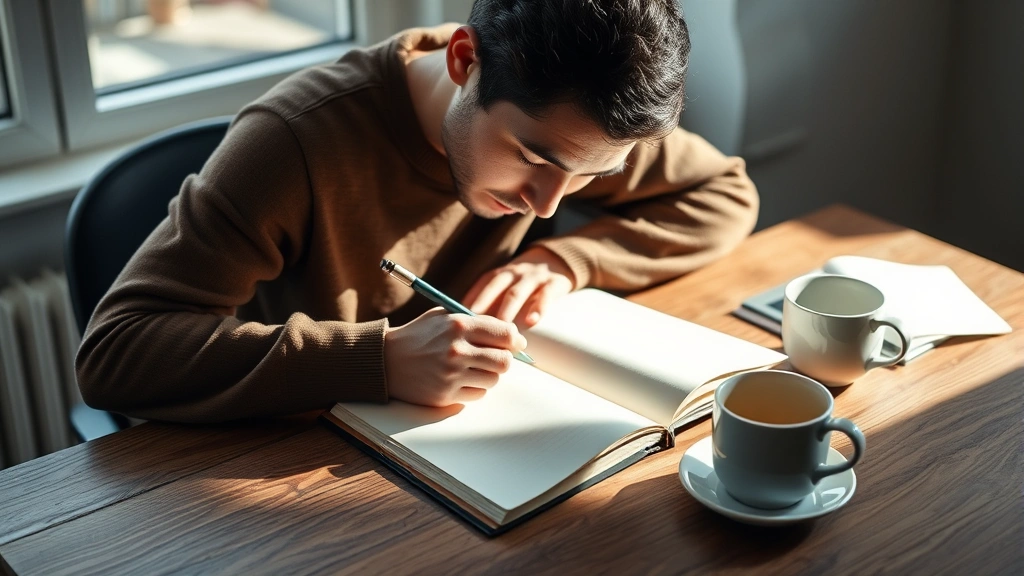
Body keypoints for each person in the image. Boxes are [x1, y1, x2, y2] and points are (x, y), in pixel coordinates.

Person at [77, 0, 758, 422]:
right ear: (464, 60)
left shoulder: (581, 124)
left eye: (590, 176)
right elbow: (115, 352)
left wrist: (564, 260)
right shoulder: (294, 141)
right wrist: (379, 358)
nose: (545, 201)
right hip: (282, 467)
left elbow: (727, 194)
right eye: (534, 159)